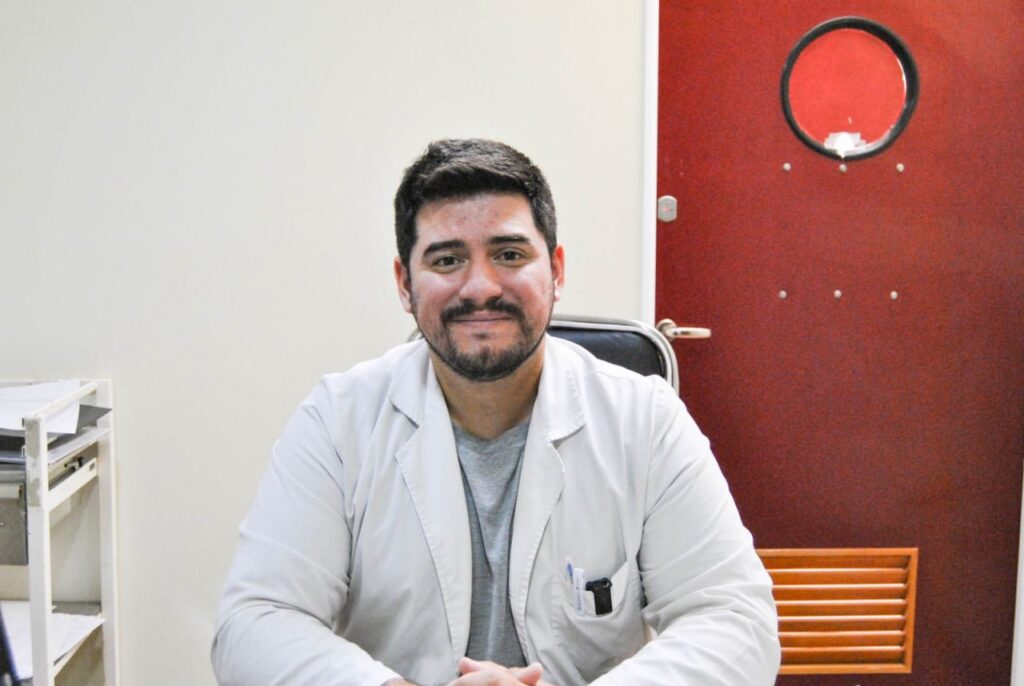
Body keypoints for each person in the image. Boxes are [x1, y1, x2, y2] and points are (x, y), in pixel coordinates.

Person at [211, 139, 780, 686]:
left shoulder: (645, 421)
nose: (480, 287)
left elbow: (736, 622)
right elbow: (254, 624)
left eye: (509, 254)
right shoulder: (338, 422)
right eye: (447, 259)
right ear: (405, 284)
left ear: (556, 271)